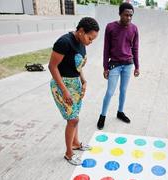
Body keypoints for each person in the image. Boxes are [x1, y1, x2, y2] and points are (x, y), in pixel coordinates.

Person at [49, 17, 99, 165]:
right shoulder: (64, 42)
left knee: (75, 117)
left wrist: (83, 80)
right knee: (73, 119)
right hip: (61, 86)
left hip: (75, 85)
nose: (91, 42)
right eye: (90, 38)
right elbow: (52, 67)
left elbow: (78, 66)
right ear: (81, 31)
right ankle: (69, 153)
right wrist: (64, 91)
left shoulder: (81, 42)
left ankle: (76, 143)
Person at [97, 2, 140, 130]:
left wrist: (137, 66)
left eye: (131, 15)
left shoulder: (134, 28)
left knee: (123, 90)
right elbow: (106, 49)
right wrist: (105, 67)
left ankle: (120, 112)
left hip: (128, 64)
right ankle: (102, 116)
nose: (129, 18)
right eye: (126, 15)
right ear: (120, 14)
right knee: (110, 92)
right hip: (114, 64)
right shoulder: (110, 27)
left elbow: (135, 49)